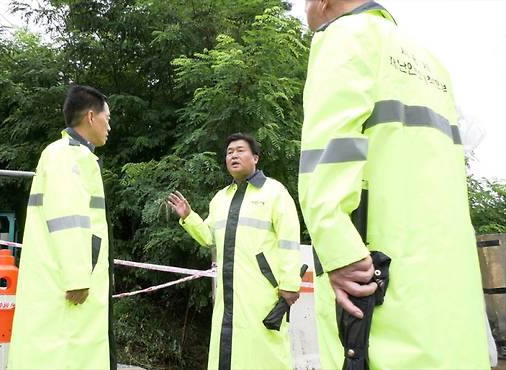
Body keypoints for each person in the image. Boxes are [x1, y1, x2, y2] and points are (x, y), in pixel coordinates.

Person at [298, 1, 489, 368]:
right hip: (450, 290)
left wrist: (338, 251)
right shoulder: (432, 62)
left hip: (376, 282)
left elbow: (331, 153)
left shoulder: (344, 36)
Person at [168, 133, 302, 369]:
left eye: (240, 150)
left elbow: (289, 240)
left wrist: (290, 284)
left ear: (256, 158)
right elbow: (210, 237)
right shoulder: (221, 198)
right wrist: (189, 217)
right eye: (229, 152)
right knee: (228, 350)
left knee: (265, 350)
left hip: (263, 292)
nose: (233, 155)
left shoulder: (274, 192)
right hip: (228, 292)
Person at [8, 85, 115, 369]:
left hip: (63, 279)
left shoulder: (72, 155)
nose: (109, 125)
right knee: (63, 354)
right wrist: (78, 276)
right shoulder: (67, 155)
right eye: (107, 117)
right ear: (91, 117)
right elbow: (67, 217)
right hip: (66, 284)